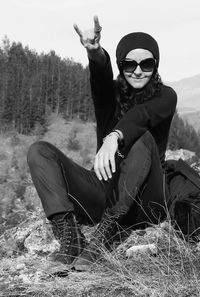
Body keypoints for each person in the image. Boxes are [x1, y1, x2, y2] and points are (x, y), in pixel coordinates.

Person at [27, 16, 177, 271]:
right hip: (105, 193)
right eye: (129, 64)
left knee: (143, 136)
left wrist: (114, 136)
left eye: (147, 63)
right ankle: (71, 238)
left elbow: (141, 117)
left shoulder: (165, 96)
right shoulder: (111, 97)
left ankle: (104, 235)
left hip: (146, 200)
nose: (138, 70)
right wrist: (95, 52)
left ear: (156, 65)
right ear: (121, 64)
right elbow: (100, 78)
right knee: (39, 151)